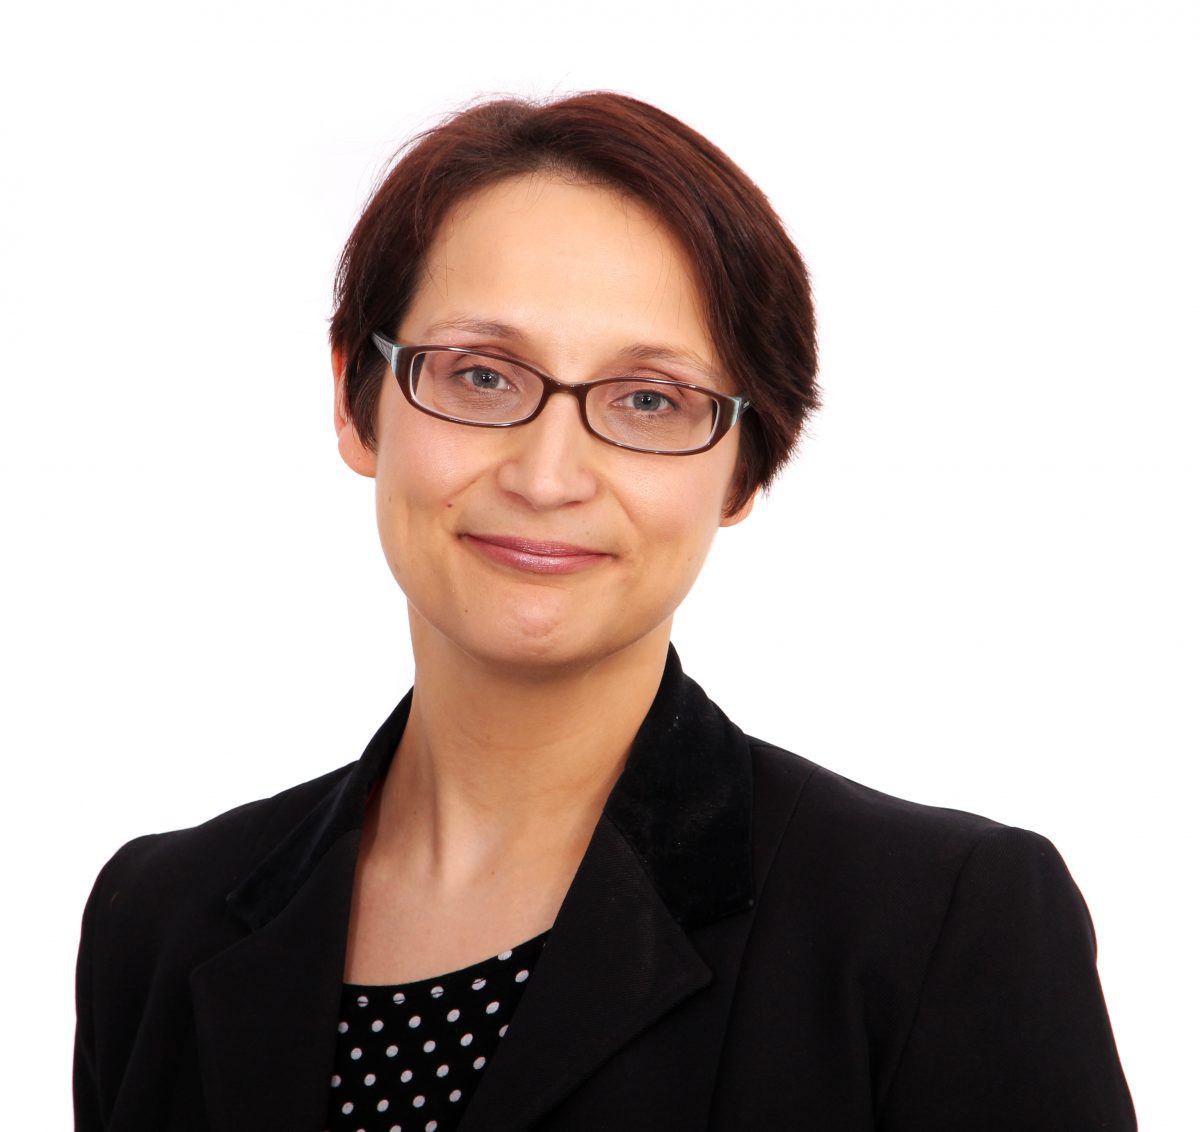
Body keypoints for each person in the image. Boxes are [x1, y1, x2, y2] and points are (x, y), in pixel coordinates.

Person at [73, 93, 1136, 1131]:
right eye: (481, 375)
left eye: (649, 399)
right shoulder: (160, 919)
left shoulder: (936, 925)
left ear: (743, 468)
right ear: (359, 402)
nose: (547, 476)